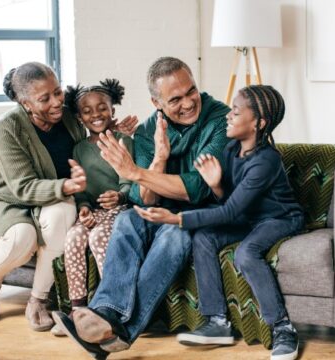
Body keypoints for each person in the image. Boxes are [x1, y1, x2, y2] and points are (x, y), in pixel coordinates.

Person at [52, 56, 230, 358]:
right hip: (161, 211)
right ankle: (107, 311)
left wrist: (136, 172)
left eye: (191, 91)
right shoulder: (149, 131)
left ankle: (122, 330)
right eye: (175, 99)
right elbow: (145, 199)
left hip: (203, 213)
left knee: (174, 235)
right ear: (156, 102)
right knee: (127, 220)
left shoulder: (218, 119)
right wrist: (159, 158)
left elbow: (197, 189)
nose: (188, 103)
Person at [132, 85, 305, 360]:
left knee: (246, 253)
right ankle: (217, 322)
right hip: (247, 217)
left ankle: (282, 328)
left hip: (279, 218)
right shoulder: (230, 149)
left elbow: (228, 213)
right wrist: (215, 186)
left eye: (236, 112)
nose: (228, 115)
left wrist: (177, 218)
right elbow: (230, 204)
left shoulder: (266, 162)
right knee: (204, 237)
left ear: (259, 123)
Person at [0, 61, 88, 332]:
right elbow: (23, 187)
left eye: (58, 92)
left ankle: (38, 300)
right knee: (23, 237)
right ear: (25, 103)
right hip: (5, 199)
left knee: (63, 213)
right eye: (44, 98)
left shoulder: (68, 117)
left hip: (50, 199)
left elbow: (88, 146)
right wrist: (66, 186)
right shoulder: (7, 128)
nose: (56, 102)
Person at [50, 79, 134, 337]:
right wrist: (84, 207)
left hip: (121, 208)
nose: (95, 114)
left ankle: (109, 308)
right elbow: (82, 190)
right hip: (94, 211)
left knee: (99, 237)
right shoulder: (79, 149)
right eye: (87, 111)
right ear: (79, 117)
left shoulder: (123, 140)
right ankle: (78, 311)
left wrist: (119, 197)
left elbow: (130, 180)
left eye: (102, 108)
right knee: (74, 237)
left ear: (113, 111)